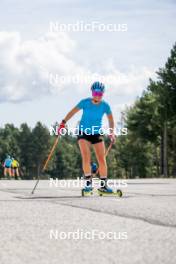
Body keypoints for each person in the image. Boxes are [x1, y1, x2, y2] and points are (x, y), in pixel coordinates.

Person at [58, 81, 116, 194]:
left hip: (97, 133)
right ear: (92, 92)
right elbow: (73, 112)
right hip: (83, 132)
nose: (97, 95)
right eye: (95, 93)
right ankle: (88, 185)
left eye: (100, 93)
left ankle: (103, 186)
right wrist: (63, 122)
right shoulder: (85, 102)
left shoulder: (105, 105)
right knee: (86, 157)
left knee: (102, 160)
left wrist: (111, 133)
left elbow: (111, 119)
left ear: (103, 94)